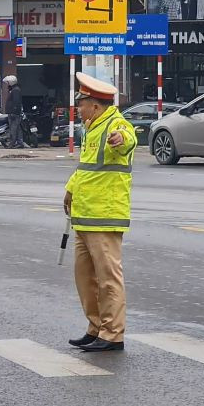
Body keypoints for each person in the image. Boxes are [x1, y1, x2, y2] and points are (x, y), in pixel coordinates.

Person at [63, 72, 136, 353]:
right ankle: (95, 327)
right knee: (85, 278)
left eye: (81, 104)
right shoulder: (91, 128)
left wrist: (122, 139)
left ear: (95, 104)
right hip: (84, 215)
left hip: (105, 216)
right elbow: (86, 167)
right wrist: (70, 190)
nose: (78, 109)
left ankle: (113, 333)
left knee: (108, 278)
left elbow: (127, 138)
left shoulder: (115, 124)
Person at [3, 75, 24, 148]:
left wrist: (13, 111)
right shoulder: (14, 89)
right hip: (14, 113)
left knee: (13, 129)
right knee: (17, 129)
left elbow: (16, 102)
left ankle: (12, 143)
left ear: (11, 82)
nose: (7, 84)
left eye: (8, 83)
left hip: (14, 113)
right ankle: (19, 143)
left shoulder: (15, 90)